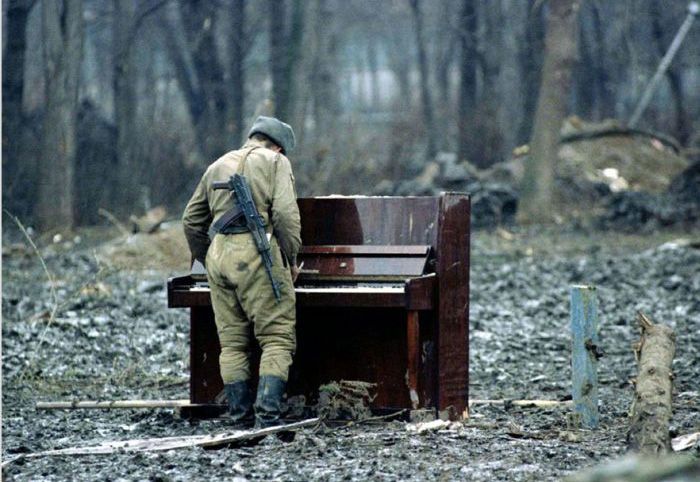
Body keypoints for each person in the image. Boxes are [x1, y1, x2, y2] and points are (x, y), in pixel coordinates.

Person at [182, 116, 301, 429]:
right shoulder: (276, 162)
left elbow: (191, 222)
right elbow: (286, 217)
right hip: (258, 253)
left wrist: (208, 259)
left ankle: (239, 420)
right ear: (278, 146)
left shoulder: (217, 165)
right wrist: (289, 260)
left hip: (220, 257)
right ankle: (268, 418)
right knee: (276, 338)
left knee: (233, 344)